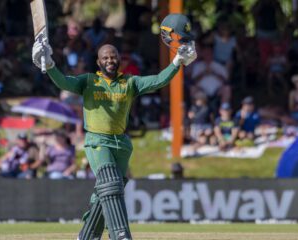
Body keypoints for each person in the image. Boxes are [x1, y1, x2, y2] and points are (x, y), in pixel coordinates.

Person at [32, 18, 197, 240]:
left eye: (113, 57)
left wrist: (177, 61)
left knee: (108, 191)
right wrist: (50, 65)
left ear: (119, 59)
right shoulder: (88, 81)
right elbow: (64, 83)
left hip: (121, 143)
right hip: (97, 141)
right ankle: (121, 235)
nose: (110, 60)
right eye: (105, 58)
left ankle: (87, 236)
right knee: (110, 183)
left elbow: (159, 80)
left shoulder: (129, 83)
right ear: (98, 62)